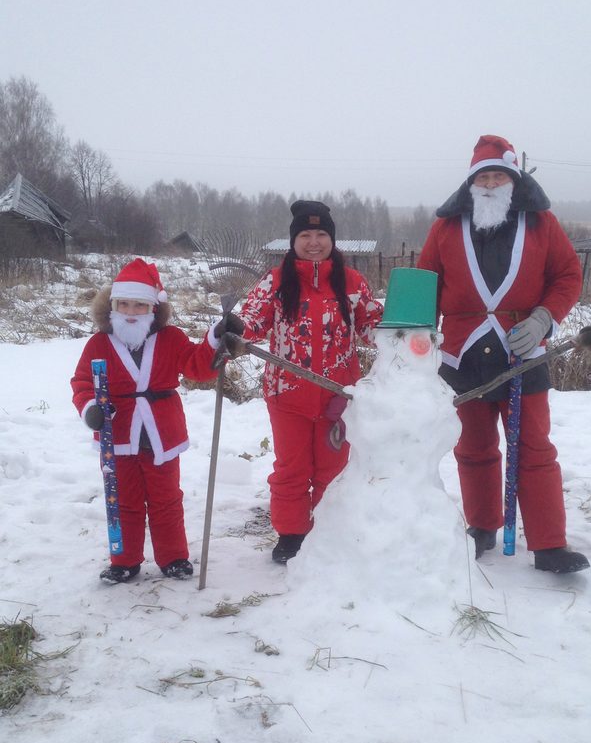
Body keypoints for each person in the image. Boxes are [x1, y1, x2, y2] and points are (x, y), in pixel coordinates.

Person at [417, 135, 589, 574]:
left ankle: (549, 544)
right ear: (472, 183)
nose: (491, 183)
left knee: (533, 448)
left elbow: (567, 273)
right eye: (484, 177)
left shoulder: (541, 223)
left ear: (513, 179)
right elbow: (424, 283)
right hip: (463, 355)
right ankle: (482, 526)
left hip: (524, 353)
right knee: (473, 447)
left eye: (499, 175)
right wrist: (414, 338)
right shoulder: (445, 227)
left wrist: (544, 318)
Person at [217, 200, 383, 564]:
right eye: (305, 235)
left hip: (339, 396)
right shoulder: (275, 281)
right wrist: (234, 330)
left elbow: (373, 328)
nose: (313, 241)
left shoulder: (352, 283)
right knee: (292, 469)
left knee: (332, 469)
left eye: (321, 234)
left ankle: (327, 530)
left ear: (332, 239)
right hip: (287, 395)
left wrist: (406, 334)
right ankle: (291, 535)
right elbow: (253, 322)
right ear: (293, 241)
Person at [72, 258, 223, 583]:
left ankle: (173, 557)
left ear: (153, 308)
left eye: (139, 304)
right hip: (118, 435)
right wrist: (90, 409)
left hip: (160, 435)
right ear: (111, 305)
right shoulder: (99, 343)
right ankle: (125, 560)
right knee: (123, 500)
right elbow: (82, 382)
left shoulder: (170, 339)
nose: (130, 311)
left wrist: (214, 339)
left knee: (166, 499)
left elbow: (198, 366)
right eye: (123, 303)